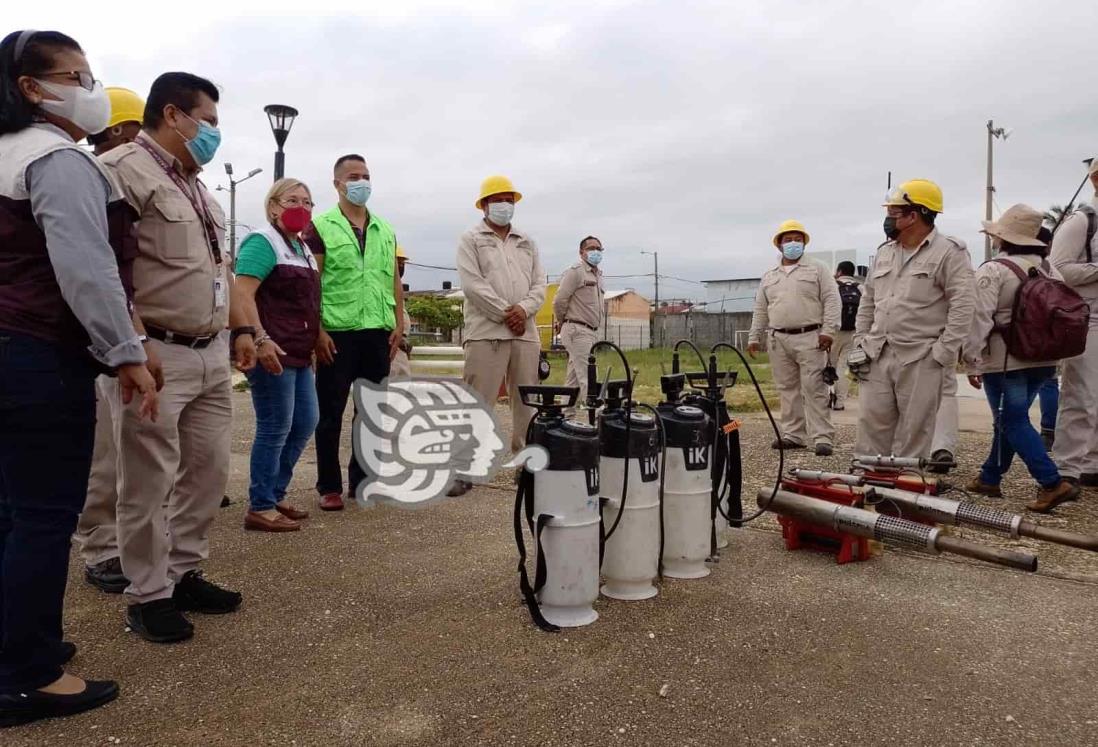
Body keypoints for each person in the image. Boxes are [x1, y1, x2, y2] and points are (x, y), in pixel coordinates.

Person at [0, 29, 158, 725]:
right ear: (31, 89)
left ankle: (20, 641)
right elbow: (85, 269)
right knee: (41, 518)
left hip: (8, 348)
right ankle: (25, 674)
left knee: (8, 513)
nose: (91, 89)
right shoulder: (55, 157)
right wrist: (125, 351)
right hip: (38, 354)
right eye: (77, 75)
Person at [101, 72, 253, 644]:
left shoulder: (199, 187)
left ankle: (183, 569)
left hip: (210, 350)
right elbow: (107, 266)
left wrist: (241, 330)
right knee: (147, 479)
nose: (213, 133)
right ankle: (147, 593)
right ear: (173, 114)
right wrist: (133, 341)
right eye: (208, 121)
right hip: (158, 350)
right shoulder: (122, 172)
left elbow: (220, 270)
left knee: (208, 471)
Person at [76, 84, 150, 595]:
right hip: (106, 337)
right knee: (106, 453)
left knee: (135, 451)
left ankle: (131, 541)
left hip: (136, 332)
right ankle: (102, 547)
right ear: (123, 131)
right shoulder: (100, 177)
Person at [962, 204, 1079, 511]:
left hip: (1005, 360)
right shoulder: (1050, 269)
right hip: (1043, 358)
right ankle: (990, 476)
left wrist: (971, 358)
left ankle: (1052, 483)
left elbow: (980, 319)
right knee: (1009, 421)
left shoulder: (993, 270)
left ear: (1003, 238)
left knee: (1012, 421)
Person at [303, 154, 403, 511]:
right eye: (353, 176)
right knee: (330, 412)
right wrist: (318, 331)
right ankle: (328, 485)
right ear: (337, 184)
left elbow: (392, 279)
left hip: (378, 331)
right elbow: (311, 283)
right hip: (336, 332)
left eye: (366, 175)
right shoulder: (320, 227)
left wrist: (399, 324)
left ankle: (363, 480)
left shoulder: (385, 229)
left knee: (371, 412)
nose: (361, 182)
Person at [853, 179, 975, 459]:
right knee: (871, 427)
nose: (888, 219)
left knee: (915, 432)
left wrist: (943, 352)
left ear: (915, 215)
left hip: (921, 357)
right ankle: (870, 484)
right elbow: (868, 300)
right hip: (878, 353)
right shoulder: (884, 252)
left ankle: (904, 492)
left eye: (894, 213)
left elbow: (963, 304)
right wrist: (861, 341)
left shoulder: (949, 252)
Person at [231, 178, 320, 532]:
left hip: (298, 353)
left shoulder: (303, 248)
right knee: (275, 427)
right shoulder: (262, 242)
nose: (302, 207)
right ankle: (260, 505)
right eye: (292, 200)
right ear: (273, 207)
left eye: (308, 201)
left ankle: (274, 491)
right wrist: (259, 337)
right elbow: (242, 293)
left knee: (304, 423)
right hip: (272, 351)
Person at [452, 175, 547, 496]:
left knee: (526, 402)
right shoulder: (471, 239)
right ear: (484, 205)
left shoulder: (527, 241)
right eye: (498, 199)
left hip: (525, 332)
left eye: (510, 199)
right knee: (479, 398)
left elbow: (539, 284)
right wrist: (507, 313)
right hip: (486, 332)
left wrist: (524, 310)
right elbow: (472, 284)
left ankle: (527, 464)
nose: (505, 205)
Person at [747, 219, 840, 456]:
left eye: (798, 239)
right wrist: (754, 336)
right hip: (778, 339)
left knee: (815, 388)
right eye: (788, 239)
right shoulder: (769, 275)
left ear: (804, 243)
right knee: (787, 389)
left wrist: (829, 330)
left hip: (810, 337)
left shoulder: (818, 269)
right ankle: (793, 435)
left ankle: (822, 437)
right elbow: (761, 308)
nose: (793, 244)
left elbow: (831, 299)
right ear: (779, 244)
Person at [1049, 158, 1098, 489]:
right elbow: (1059, 268)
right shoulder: (1082, 222)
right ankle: (1069, 467)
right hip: (1088, 318)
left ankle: (1093, 462)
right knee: (1082, 394)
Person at [553, 236, 605, 415]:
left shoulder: (598, 275)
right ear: (582, 252)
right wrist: (563, 322)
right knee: (589, 376)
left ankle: (566, 417)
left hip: (590, 331)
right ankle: (600, 419)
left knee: (573, 377)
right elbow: (559, 300)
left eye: (599, 248)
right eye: (591, 248)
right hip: (577, 328)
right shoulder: (575, 272)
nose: (595, 251)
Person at [830, 260, 860, 411]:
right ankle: (840, 402)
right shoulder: (860, 288)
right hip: (853, 332)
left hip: (834, 331)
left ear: (839, 271)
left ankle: (829, 394)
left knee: (830, 365)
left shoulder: (833, 286)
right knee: (843, 366)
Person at [389, 245, 414, 378]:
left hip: (400, 349)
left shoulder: (397, 290)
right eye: (397, 262)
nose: (400, 266)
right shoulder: (385, 289)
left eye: (402, 263)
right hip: (392, 349)